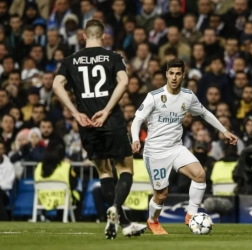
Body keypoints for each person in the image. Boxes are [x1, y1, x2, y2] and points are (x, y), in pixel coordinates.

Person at [52, 19, 146, 239]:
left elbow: (56, 85)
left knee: (104, 172)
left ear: (84, 36)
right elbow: (124, 82)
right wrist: (106, 111)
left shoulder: (70, 60)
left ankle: (124, 222)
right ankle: (116, 208)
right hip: (110, 121)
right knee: (125, 170)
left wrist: (76, 114)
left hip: (87, 124)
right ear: (103, 36)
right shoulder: (113, 58)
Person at [131, 59, 238, 234]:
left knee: (200, 174)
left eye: (177, 74)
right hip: (155, 152)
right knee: (161, 195)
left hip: (176, 148)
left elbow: (204, 113)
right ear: (166, 74)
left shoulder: (188, 96)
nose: (174, 77)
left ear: (183, 75)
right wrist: (135, 139)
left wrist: (224, 131)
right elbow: (137, 119)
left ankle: (191, 215)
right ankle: (152, 221)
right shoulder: (154, 96)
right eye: (171, 73)